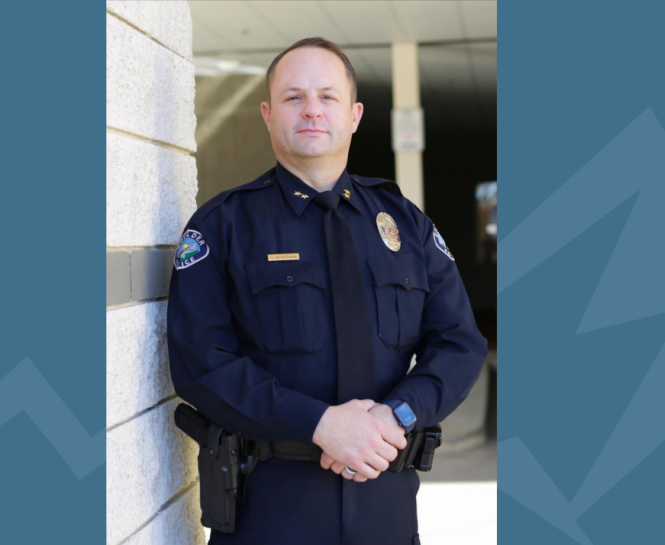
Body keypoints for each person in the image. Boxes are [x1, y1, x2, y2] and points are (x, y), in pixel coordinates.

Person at [167, 37, 487, 545]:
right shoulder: (224, 226)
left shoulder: (405, 223)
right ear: (268, 115)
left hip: (387, 506)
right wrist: (318, 424)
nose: (312, 110)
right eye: (294, 97)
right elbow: (200, 362)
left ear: (355, 114)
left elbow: (459, 343)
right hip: (270, 512)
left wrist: (395, 414)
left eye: (328, 96)